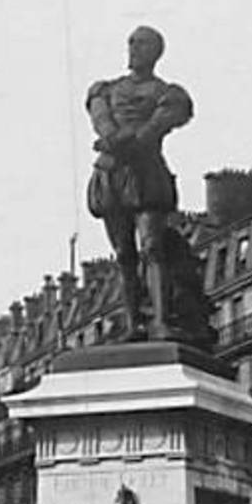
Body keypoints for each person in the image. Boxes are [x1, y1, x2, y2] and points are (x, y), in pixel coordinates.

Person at [86, 25, 213, 346]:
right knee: (123, 253)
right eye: (131, 42)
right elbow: (100, 119)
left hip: (145, 172)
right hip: (112, 174)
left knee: (152, 247)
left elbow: (154, 129)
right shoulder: (105, 89)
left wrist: (120, 141)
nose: (133, 49)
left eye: (141, 44)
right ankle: (133, 322)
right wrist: (116, 136)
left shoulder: (168, 93)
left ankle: (159, 320)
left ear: (155, 52)